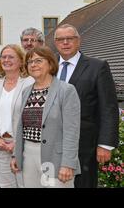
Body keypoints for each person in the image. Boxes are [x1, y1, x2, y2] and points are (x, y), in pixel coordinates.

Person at [53, 24, 119, 188]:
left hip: (84, 144)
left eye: (70, 38)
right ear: (55, 43)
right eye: (61, 39)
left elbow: (108, 107)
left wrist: (105, 144)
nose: (65, 42)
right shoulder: (47, 67)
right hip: (51, 142)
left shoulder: (97, 67)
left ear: (78, 41)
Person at [11, 46, 81, 188]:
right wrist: (15, 155)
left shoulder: (66, 90)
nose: (33, 65)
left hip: (54, 157)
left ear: (50, 63)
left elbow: (71, 131)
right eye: (30, 62)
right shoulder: (26, 91)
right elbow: (21, 127)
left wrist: (68, 163)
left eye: (38, 60)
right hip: (28, 156)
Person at [0, 44, 33, 188]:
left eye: (11, 57)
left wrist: (17, 143)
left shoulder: (30, 83)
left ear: (21, 61)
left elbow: (33, 117)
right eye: (3, 57)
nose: (6, 60)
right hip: (0, 147)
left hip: (24, 148)